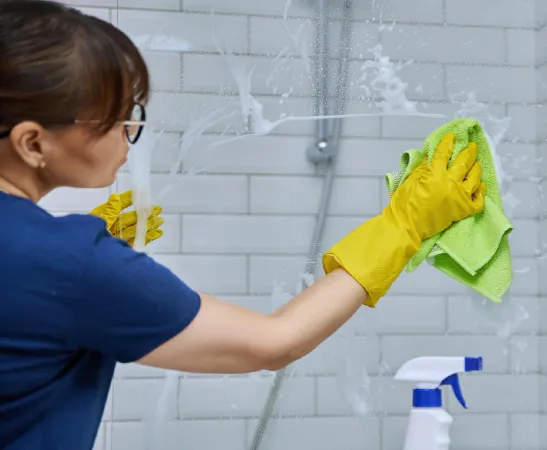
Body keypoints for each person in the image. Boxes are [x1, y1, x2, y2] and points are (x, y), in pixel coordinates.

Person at [0, 1, 487, 449]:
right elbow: (275, 343)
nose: (130, 136)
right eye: (116, 119)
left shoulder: (50, 256)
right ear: (32, 143)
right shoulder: (72, 262)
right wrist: (404, 225)